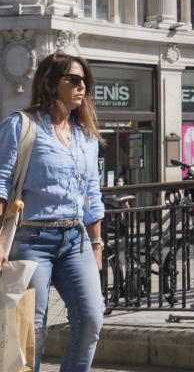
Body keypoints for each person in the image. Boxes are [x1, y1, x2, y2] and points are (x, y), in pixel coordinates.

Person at [0, 52, 105, 372]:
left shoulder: (86, 136)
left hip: (76, 241)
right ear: (49, 84)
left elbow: (92, 194)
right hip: (30, 239)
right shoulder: (20, 125)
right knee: (30, 331)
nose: (81, 86)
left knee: (90, 319)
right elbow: (1, 185)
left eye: (84, 80)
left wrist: (97, 244)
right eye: (72, 79)